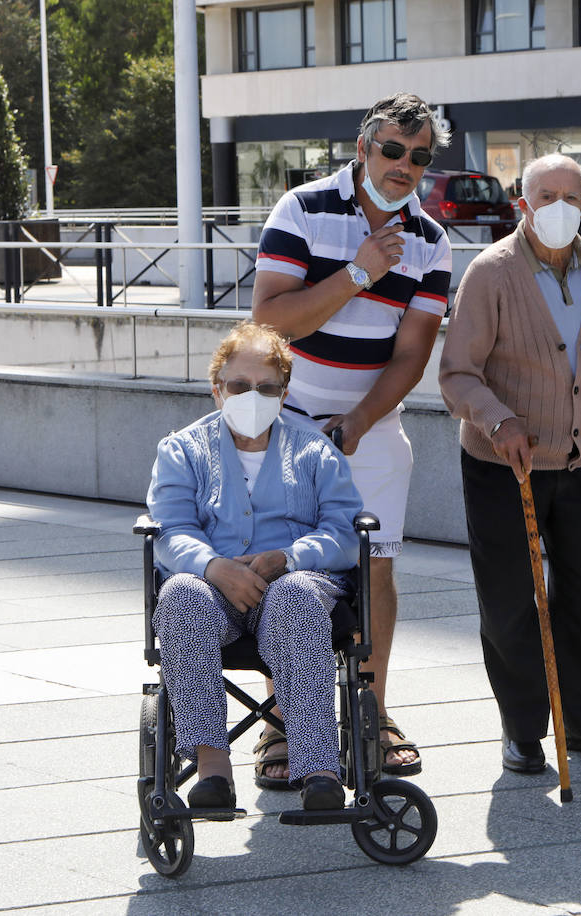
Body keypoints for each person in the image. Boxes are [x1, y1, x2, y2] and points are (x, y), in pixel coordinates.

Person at [249, 92, 452, 786]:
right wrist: (360, 273)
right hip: (285, 425)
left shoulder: (431, 239)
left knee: (376, 571)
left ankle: (370, 710)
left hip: (373, 426)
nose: (405, 165)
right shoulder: (301, 210)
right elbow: (272, 323)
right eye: (393, 149)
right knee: (282, 567)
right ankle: (283, 722)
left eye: (419, 156)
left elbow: (412, 355)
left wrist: (362, 422)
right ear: (362, 148)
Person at [439, 153, 581, 775]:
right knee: (510, 599)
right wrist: (497, 419)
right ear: (521, 203)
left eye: (571, 196)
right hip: (504, 468)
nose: (558, 207)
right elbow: (457, 374)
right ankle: (524, 728)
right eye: (545, 195)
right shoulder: (490, 274)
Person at [146, 321, 362, 811]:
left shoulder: (315, 451)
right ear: (216, 389)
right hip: (211, 593)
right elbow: (170, 529)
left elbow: (345, 533)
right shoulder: (182, 450)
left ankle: (319, 769)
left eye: (266, 388)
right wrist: (214, 566)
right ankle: (212, 769)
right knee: (180, 596)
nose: (252, 396)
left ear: (284, 394)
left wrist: (287, 558)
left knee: (296, 596)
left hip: (291, 590)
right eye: (240, 386)